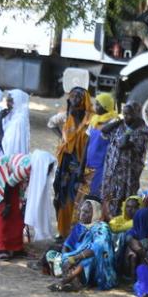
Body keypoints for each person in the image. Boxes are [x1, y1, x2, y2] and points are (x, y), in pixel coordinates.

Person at [0, 150, 57, 256]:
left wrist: (23, 204)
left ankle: (16, 246)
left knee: (17, 212)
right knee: (2, 211)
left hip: (12, 179)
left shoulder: (35, 167)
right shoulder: (25, 168)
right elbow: (9, 184)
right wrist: (7, 204)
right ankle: (2, 247)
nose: (49, 171)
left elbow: (26, 188)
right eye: (48, 168)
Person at [50, 87, 92, 238]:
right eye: (72, 96)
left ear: (84, 100)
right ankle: (62, 231)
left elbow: (90, 144)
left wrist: (82, 167)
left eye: (77, 97)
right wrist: (63, 142)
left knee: (76, 199)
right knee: (60, 196)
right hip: (65, 164)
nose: (73, 100)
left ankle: (73, 233)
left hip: (81, 165)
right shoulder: (67, 116)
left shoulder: (90, 120)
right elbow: (51, 124)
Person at [100, 100, 148, 213]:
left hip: (127, 176)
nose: (126, 116)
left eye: (129, 114)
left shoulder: (143, 130)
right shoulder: (120, 125)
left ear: (136, 113)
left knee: (124, 204)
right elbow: (103, 130)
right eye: (124, 113)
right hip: (112, 174)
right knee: (108, 202)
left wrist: (130, 129)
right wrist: (119, 121)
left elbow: (122, 144)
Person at [80, 93, 118, 202]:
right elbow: (87, 143)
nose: (95, 107)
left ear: (106, 106)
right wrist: (81, 167)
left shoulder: (113, 122)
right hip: (89, 166)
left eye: (98, 104)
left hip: (102, 167)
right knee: (83, 199)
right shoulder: (94, 119)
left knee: (95, 198)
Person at [0, 89, 31, 156]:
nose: (7, 104)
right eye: (7, 100)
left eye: (11, 101)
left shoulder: (19, 121)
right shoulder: (14, 117)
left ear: (18, 102)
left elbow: (3, 144)